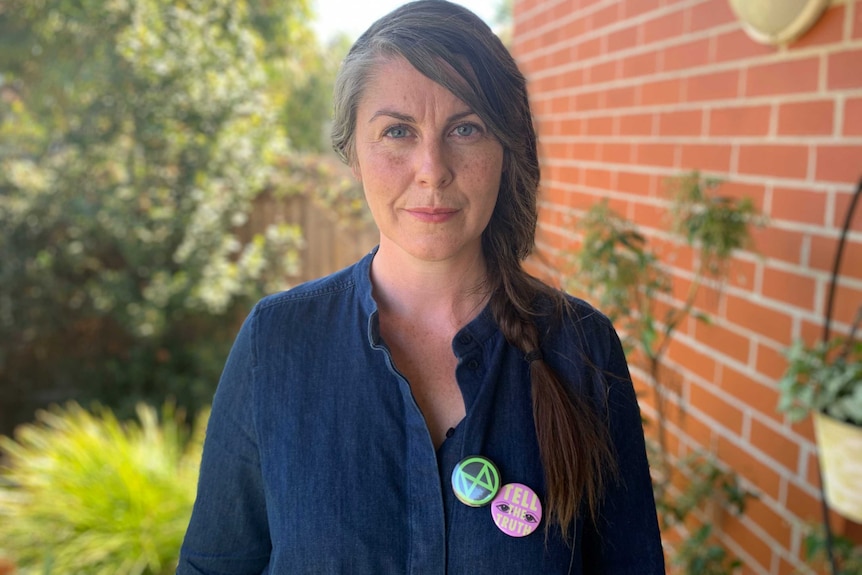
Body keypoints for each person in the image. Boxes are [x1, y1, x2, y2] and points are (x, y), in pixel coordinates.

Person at [176, 1, 665, 573]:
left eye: (465, 128)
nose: (432, 168)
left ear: (506, 150)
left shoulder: (581, 348)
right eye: (397, 131)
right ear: (353, 153)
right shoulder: (276, 345)